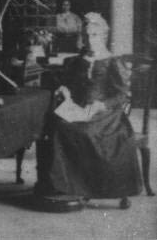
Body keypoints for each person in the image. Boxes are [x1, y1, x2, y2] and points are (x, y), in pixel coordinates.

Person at [35, 12, 142, 210]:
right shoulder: (78, 61)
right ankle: (67, 186)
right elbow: (69, 84)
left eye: (94, 35)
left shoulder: (112, 61)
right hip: (78, 108)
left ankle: (91, 187)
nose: (90, 40)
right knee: (59, 126)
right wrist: (65, 90)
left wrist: (101, 105)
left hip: (105, 114)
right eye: (86, 36)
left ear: (103, 36)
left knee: (86, 132)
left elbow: (121, 95)